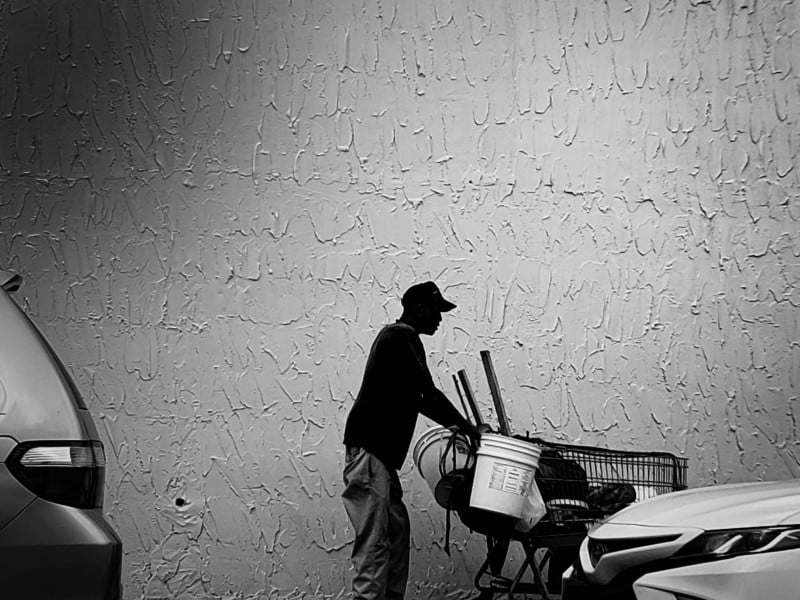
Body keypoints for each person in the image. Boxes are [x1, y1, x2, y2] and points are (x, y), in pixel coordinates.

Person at [342, 281, 481, 600]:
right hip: (371, 454)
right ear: (419, 309)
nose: (440, 319)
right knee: (375, 542)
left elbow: (418, 397)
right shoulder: (401, 336)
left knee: (395, 535)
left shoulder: (398, 338)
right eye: (436, 311)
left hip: (379, 458)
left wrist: (461, 426)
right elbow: (426, 394)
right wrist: (468, 428)